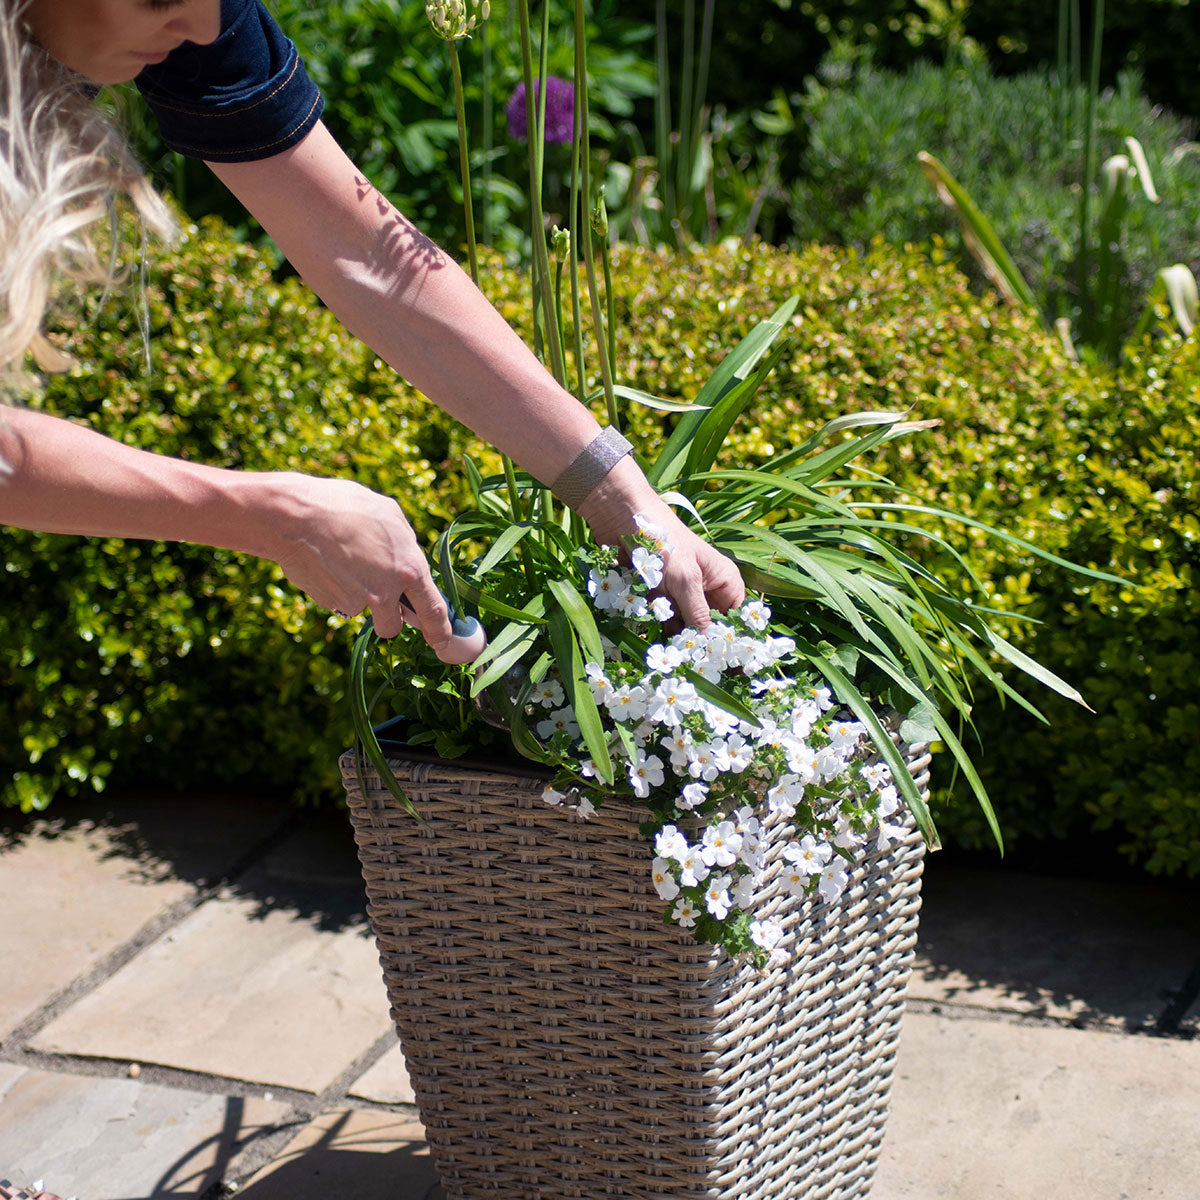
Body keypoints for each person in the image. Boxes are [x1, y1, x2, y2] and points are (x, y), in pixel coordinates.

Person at [0, 0, 745, 659]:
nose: (202, 26)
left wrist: (623, 500)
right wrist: (267, 515)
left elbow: (372, 257)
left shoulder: (194, 15)